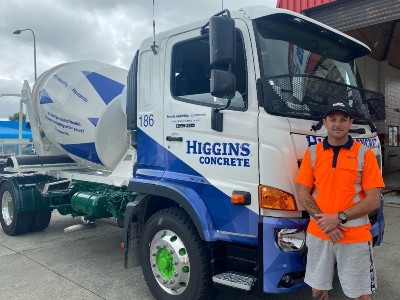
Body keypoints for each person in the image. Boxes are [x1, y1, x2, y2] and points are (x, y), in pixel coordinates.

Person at [295, 100, 385, 300]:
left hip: (355, 236)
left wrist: (339, 218)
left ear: (350, 122)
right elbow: (303, 192)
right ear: (324, 122)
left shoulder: (365, 155)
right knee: (318, 291)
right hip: (320, 233)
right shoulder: (312, 153)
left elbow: (373, 200)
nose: (338, 124)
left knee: (361, 294)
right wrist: (326, 223)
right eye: (333, 119)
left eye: (343, 119)